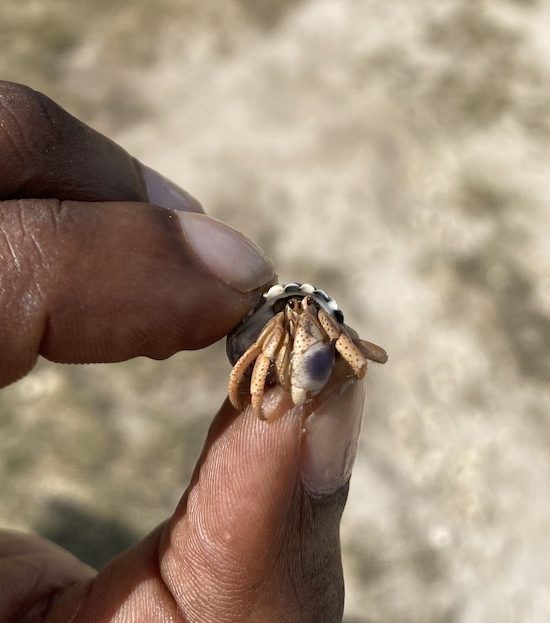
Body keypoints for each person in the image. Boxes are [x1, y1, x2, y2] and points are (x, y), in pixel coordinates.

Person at [0, 81, 366, 623]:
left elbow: (340, 346)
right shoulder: (279, 327)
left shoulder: (305, 316)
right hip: (272, 341)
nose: (298, 314)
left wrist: (351, 351)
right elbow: (269, 350)